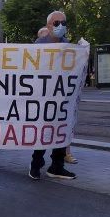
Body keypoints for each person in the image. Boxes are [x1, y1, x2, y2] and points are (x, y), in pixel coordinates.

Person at [29, 13, 77, 180]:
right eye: (57, 22)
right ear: (49, 25)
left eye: (64, 22)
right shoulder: (39, 44)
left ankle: (57, 166)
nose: (61, 25)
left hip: (62, 96)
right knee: (44, 131)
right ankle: (36, 164)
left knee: (61, 130)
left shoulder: (67, 44)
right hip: (44, 96)